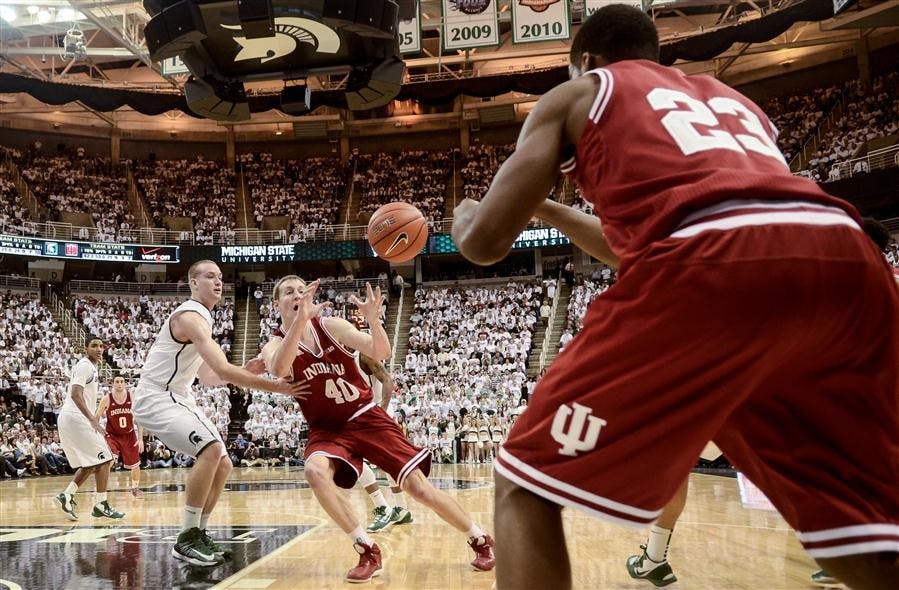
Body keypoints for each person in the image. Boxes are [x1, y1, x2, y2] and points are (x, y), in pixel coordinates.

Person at [451, 6, 898, 590]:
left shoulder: (581, 92)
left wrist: (465, 218)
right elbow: (656, 239)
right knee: (852, 523)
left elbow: (485, 244)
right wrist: (549, 207)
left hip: (716, 264)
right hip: (846, 260)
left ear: (584, 61)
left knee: (522, 483)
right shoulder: (735, 101)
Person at [262, 276, 495, 583]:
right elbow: (279, 369)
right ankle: (366, 548)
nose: (297, 294)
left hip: (365, 416)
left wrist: (374, 322)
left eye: (300, 289)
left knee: (418, 489)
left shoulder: (331, 326)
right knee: (314, 472)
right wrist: (300, 322)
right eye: (288, 292)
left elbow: (380, 351)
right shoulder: (274, 344)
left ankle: (479, 538)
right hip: (326, 428)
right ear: (276, 304)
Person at [132, 260, 304, 567]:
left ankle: (198, 532)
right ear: (193, 283)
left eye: (220, 277)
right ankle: (185, 538)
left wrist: (244, 370)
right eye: (210, 276)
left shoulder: (203, 319)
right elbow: (223, 369)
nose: (218, 281)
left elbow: (210, 377)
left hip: (177, 395)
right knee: (210, 450)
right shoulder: (190, 316)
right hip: (157, 396)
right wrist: (275, 387)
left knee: (223, 464)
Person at [55, 338, 125, 521]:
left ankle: (67, 495)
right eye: (94, 346)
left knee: (91, 462)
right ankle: (101, 504)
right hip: (75, 417)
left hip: (72, 418)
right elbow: (75, 394)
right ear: (86, 348)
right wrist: (92, 418)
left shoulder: (92, 368)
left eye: (102, 346)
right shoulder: (84, 365)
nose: (99, 349)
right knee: (106, 458)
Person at [354, 352, 415, 533]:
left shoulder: (364, 355)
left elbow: (388, 380)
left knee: (354, 458)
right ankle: (401, 509)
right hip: (362, 416)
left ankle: (383, 507)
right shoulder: (335, 360)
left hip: (377, 413)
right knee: (385, 464)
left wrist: (382, 411)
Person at [95, 376, 144, 498]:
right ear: (113, 384)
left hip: (129, 434)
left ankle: (135, 488)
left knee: (136, 464)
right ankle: (101, 490)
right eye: (117, 381)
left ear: (125, 384)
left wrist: (140, 438)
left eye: (122, 381)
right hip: (112, 435)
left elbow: (139, 419)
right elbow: (96, 417)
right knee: (109, 461)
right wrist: (99, 432)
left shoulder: (131, 397)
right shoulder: (107, 399)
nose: (119, 384)